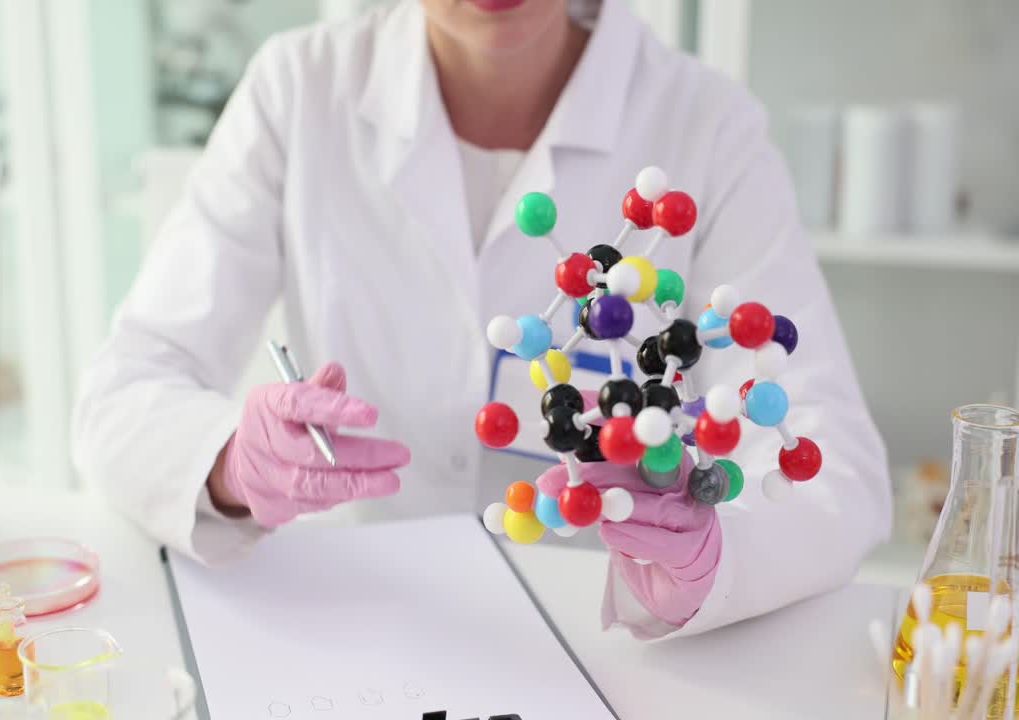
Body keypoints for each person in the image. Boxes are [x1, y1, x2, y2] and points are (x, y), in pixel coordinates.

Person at [72, 0, 891, 640]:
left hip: (613, 649)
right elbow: (125, 391)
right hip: (351, 626)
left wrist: (716, 557)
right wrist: (227, 464)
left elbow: (831, 462)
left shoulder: (706, 125)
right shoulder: (298, 87)